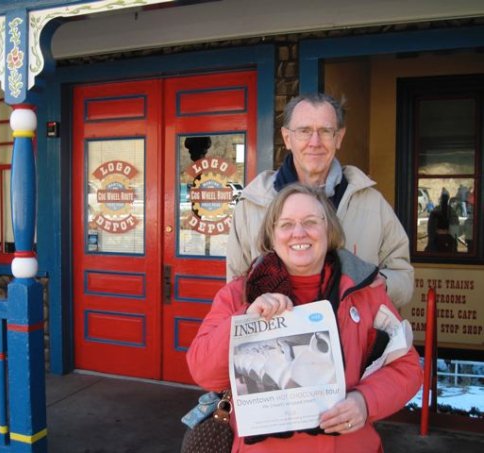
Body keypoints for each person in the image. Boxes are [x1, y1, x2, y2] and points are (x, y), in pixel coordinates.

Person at [188, 183, 422, 452]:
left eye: (310, 221)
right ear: (272, 234)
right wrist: (245, 320)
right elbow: (203, 372)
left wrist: (365, 401)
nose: (298, 232)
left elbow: (406, 367)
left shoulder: (365, 292)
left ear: (328, 230)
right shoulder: (238, 296)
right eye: (286, 224)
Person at [226, 93, 413, 307]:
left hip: (354, 337)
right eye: (304, 131)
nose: (315, 142)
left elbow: (404, 278)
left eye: (325, 131)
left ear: (339, 138)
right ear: (287, 138)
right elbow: (235, 288)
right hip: (276, 335)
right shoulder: (252, 204)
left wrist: (381, 284)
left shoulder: (372, 203)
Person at [425, 188, 458, 253]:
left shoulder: (435, 210)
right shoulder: (452, 211)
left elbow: (431, 229)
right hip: (445, 242)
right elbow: (455, 231)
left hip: (439, 242)